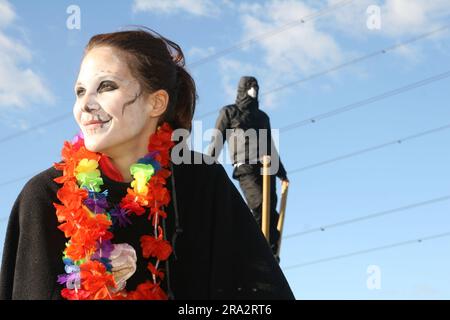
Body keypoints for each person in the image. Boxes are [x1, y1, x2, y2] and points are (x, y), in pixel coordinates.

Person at [0, 28, 294, 300]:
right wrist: (96, 287)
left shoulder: (200, 182)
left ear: (156, 103)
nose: (85, 105)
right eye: (80, 91)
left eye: (106, 86)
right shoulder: (47, 196)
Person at [207, 76, 289, 256]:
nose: (254, 90)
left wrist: (281, 172)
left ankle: (271, 252)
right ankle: (255, 249)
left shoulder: (262, 117)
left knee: (271, 211)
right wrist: (208, 164)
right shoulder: (229, 112)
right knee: (259, 204)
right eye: (250, 87)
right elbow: (217, 139)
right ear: (242, 89)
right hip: (245, 166)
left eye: (256, 87)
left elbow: (270, 144)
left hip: (267, 166)